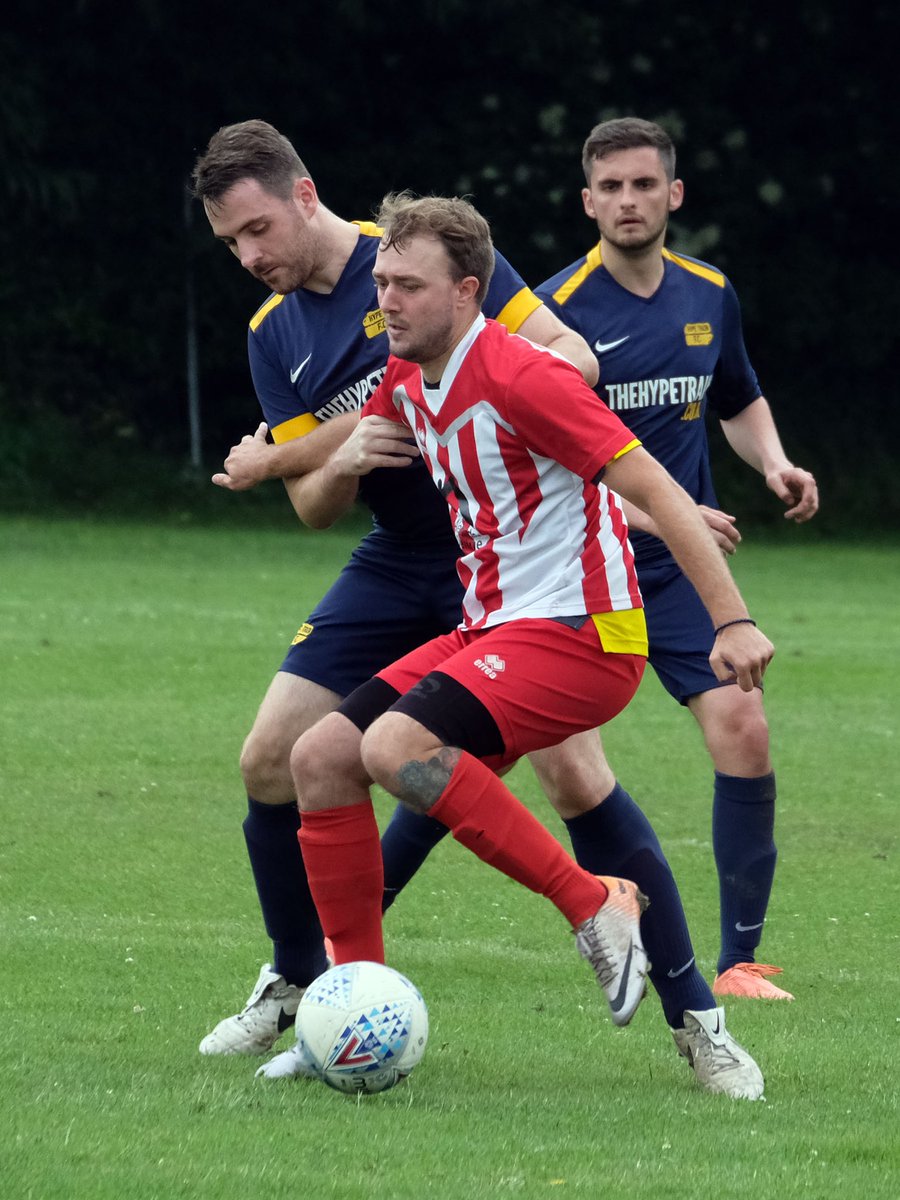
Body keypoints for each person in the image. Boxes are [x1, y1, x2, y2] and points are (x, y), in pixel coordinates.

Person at [260, 193, 770, 1099]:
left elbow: (651, 481)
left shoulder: (525, 374)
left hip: (587, 633)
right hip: (493, 626)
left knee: (398, 747)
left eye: (407, 286)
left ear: (468, 293)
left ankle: (596, 904)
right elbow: (342, 471)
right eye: (381, 283)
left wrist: (730, 621)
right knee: (322, 757)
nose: (386, 303)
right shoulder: (408, 378)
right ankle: (353, 1008)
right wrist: (284, 460)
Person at [189, 119, 606, 1055]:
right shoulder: (272, 332)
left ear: (304, 194)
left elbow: (573, 359)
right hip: (393, 557)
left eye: (258, 230)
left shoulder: (419, 257)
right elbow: (312, 507)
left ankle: (685, 993)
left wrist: (450, 398)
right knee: (271, 756)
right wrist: (342, 459)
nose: (249, 256)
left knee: (574, 774)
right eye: (230, 244)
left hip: (495, 555)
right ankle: (299, 981)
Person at [533, 118, 819, 1000]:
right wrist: (659, 513)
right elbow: (541, 461)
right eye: (610, 188)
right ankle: (337, 945)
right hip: (576, 563)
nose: (627, 201)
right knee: (543, 762)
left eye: (643, 185)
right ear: (587, 202)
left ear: (673, 195)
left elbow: (735, 396)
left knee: (744, 725)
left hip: (678, 570)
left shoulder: (708, 292)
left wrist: (771, 460)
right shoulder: (552, 312)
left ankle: (737, 962)